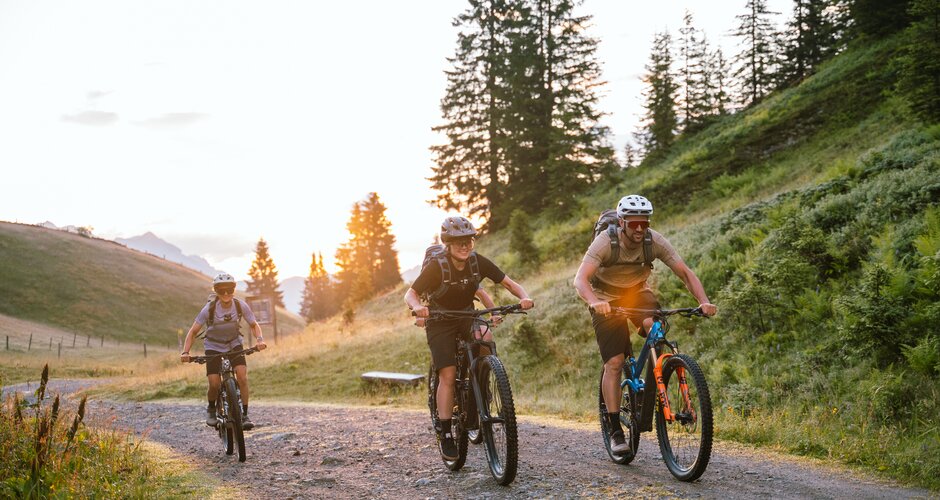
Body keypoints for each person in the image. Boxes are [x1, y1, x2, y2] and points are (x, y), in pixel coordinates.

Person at [573, 195, 717, 456]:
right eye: (634, 224)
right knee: (615, 362)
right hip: (605, 298)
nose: (640, 229)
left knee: (656, 329)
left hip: (637, 292)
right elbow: (580, 280)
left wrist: (704, 301)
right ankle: (615, 429)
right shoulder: (606, 241)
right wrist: (594, 302)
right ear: (621, 222)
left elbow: (684, 272)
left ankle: (653, 386)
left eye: (644, 223)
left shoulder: (654, 240)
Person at [404, 216, 535, 461]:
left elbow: (508, 283)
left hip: (466, 314)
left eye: (469, 241)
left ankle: (483, 377)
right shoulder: (437, 266)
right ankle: (445, 433)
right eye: (458, 242)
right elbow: (411, 294)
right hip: (440, 319)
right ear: (448, 244)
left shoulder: (477, 262)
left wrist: (524, 296)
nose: (465, 246)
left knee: (484, 335)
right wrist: (417, 308)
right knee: (449, 375)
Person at [180, 272, 267, 430]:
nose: (226, 293)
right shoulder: (209, 309)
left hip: (234, 343)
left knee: (242, 376)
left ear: (234, 289)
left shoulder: (240, 305)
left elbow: (254, 325)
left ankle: (245, 414)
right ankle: (212, 409)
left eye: (229, 289)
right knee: (214, 383)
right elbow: (193, 332)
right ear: (216, 291)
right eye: (221, 290)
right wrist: (185, 352)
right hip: (213, 346)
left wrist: (260, 340)